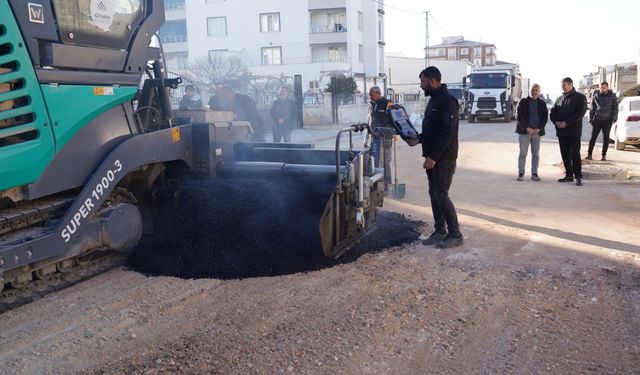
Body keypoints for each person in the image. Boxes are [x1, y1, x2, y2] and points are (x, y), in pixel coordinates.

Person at [406, 66, 463, 249]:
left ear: (432, 80)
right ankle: (440, 231)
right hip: (432, 156)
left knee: (441, 194)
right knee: (434, 194)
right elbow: (432, 131)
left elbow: (447, 132)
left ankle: (456, 234)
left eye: (423, 81)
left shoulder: (448, 101)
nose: (421, 86)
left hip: (444, 158)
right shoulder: (433, 101)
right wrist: (419, 139)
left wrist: (434, 157)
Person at [549, 77, 588, 186]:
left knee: (575, 154)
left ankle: (578, 177)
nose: (562, 86)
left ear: (570, 84)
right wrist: (556, 122)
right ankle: (569, 175)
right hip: (562, 132)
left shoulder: (580, 97)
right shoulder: (559, 99)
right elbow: (553, 113)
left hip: (574, 131)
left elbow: (580, 113)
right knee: (565, 154)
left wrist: (567, 122)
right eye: (561, 85)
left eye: (564, 84)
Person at [515, 83, 548, 181]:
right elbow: (519, 116)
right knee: (523, 154)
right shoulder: (523, 102)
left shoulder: (542, 103)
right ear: (530, 91)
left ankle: (534, 173)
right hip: (525, 132)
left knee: (535, 154)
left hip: (537, 133)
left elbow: (545, 117)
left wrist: (539, 128)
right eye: (533, 90)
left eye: (536, 90)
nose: (534, 92)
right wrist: (527, 128)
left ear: (539, 92)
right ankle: (521, 173)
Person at [368, 86, 395, 192]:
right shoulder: (373, 105)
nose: (370, 97)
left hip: (385, 138)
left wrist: (392, 132)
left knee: (385, 162)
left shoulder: (388, 104)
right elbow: (371, 121)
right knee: (375, 161)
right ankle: (378, 185)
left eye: (371, 94)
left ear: (377, 93)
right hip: (375, 137)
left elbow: (394, 119)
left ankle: (387, 186)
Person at [587, 82, 618, 161]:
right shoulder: (596, 96)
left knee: (606, 139)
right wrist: (590, 119)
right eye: (601, 87)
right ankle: (589, 154)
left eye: (604, 87)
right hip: (597, 120)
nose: (602, 89)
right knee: (593, 138)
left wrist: (613, 118)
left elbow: (615, 108)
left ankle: (603, 155)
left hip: (607, 121)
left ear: (607, 87)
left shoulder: (612, 97)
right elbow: (592, 108)